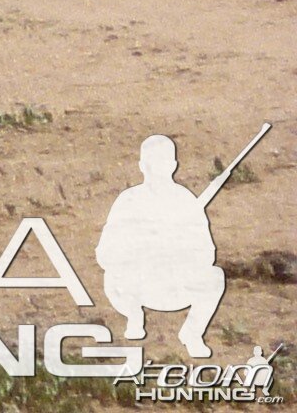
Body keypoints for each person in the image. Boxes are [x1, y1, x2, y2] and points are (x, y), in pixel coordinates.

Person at [96, 135, 227, 358]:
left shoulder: (186, 201)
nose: (157, 170)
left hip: (174, 286)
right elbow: (104, 254)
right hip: (135, 287)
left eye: (162, 164)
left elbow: (207, 254)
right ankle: (133, 316)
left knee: (215, 276)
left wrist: (177, 250)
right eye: (153, 165)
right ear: (142, 167)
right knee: (112, 276)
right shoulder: (128, 200)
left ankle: (192, 333)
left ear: (173, 166)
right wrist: (140, 248)